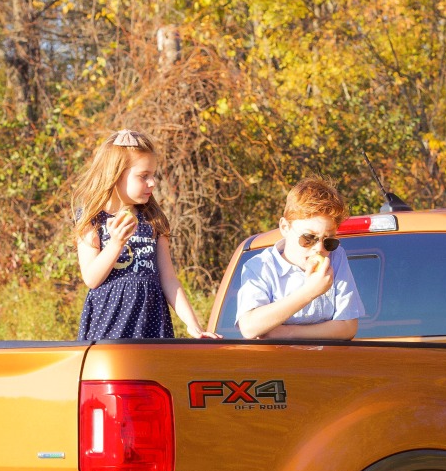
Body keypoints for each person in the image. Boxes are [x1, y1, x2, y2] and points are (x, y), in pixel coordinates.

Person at [74, 128, 220, 340]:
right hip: (109, 326)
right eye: (143, 176)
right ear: (114, 176)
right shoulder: (92, 219)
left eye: (153, 175)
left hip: (152, 323)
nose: (152, 183)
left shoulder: (153, 219)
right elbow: (92, 279)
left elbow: (169, 279)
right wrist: (116, 244)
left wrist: (193, 325)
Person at [236, 176, 364, 340]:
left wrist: (286, 332)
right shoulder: (261, 266)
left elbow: (348, 326)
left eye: (329, 241)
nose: (319, 248)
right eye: (309, 238)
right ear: (285, 227)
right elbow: (249, 327)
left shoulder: (336, 258)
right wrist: (308, 292)